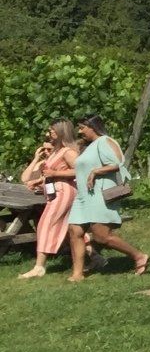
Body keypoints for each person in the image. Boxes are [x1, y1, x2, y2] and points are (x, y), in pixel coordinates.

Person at [67, 115, 148, 278]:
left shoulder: (104, 141)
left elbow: (117, 163)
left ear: (93, 127)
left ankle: (139, 256)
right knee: (74, 231)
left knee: (101, 236)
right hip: (83, 196)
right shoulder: (88, 146)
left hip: (98, 194)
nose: (80, 131)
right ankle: (77, 275)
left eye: (82, 127)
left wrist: (96, 171)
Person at [17, 120, 79, 280]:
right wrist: (39, 181)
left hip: (64, 192)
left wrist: (55, 174)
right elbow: (50, 173)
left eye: (51, 131)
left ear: (60, 132)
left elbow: (80, 171)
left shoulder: (68, 152)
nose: (48, 134)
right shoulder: (56, 152)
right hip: (54, 191)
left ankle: (39, 267)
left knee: (45, 224)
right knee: (68, 228)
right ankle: (97, 259)